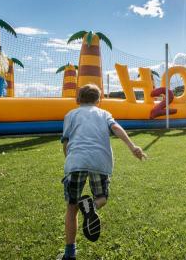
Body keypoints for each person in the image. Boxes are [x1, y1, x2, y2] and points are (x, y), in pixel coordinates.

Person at [59, 84, 146, 260]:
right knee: (102, 198)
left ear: (77, 99)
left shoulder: (70, 115)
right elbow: (116, 129)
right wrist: (132, 146)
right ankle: (93, 206)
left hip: (75, 162)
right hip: (100, 161)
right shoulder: (104, 113)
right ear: (99, 100)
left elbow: (65, 142)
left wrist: (69, 160)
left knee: (71, 207)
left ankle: (70, 253)